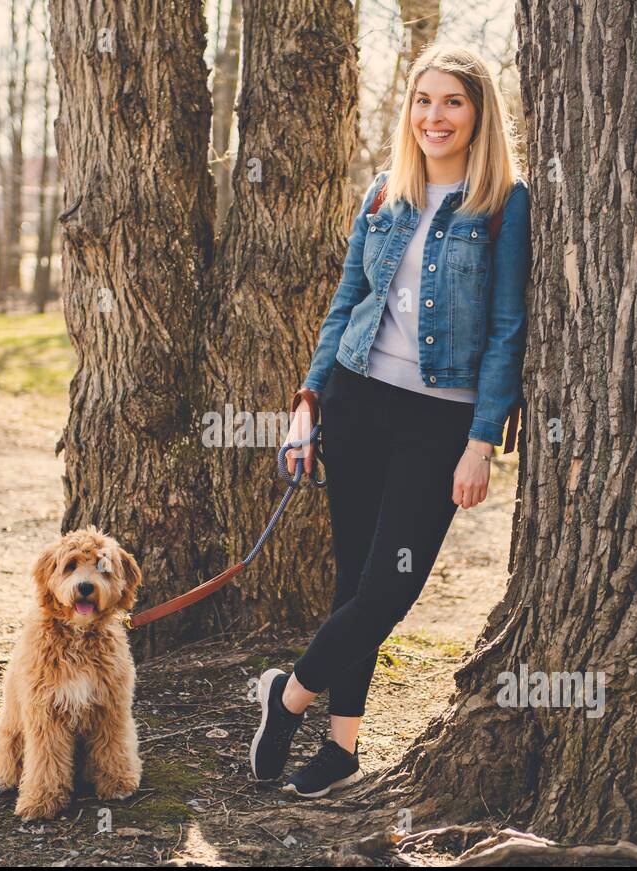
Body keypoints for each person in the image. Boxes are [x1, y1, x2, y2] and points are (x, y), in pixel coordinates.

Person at [249, 44, 530, 798]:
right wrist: (307, 406)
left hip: (439, 422)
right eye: (423, 100)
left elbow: (508, 329)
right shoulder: (385, 194)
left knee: (390, 588)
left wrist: (483, 441)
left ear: (478, 114)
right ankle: (342, 745)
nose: (435, 116)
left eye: (453, 102)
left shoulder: (504, 202)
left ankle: (289, 697)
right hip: (355, 400)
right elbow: (346, 305)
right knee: (354, 585)